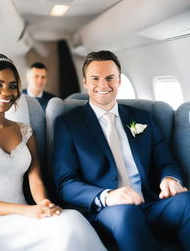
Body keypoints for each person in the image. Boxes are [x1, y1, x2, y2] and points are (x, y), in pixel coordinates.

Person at [0, 53, 106, 251]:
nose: (6, 92)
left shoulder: (25, 131)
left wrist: (44, 203)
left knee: (72, 219)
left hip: (25, 212)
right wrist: (28, 211)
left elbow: (36, 180)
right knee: (63, 229)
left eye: (12, 85)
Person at [52, 50, 190, 251]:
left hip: (150, 203)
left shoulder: (142, 118)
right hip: (107, 210)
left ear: (119, 80)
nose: (103, 85)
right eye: (95, 78)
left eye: (110, 78)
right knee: (126, 214)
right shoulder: (69, 124)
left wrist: (170, 179)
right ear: (85, 81)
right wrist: (107, 196)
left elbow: (166, 163)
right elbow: (65, 183)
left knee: (186, 201)